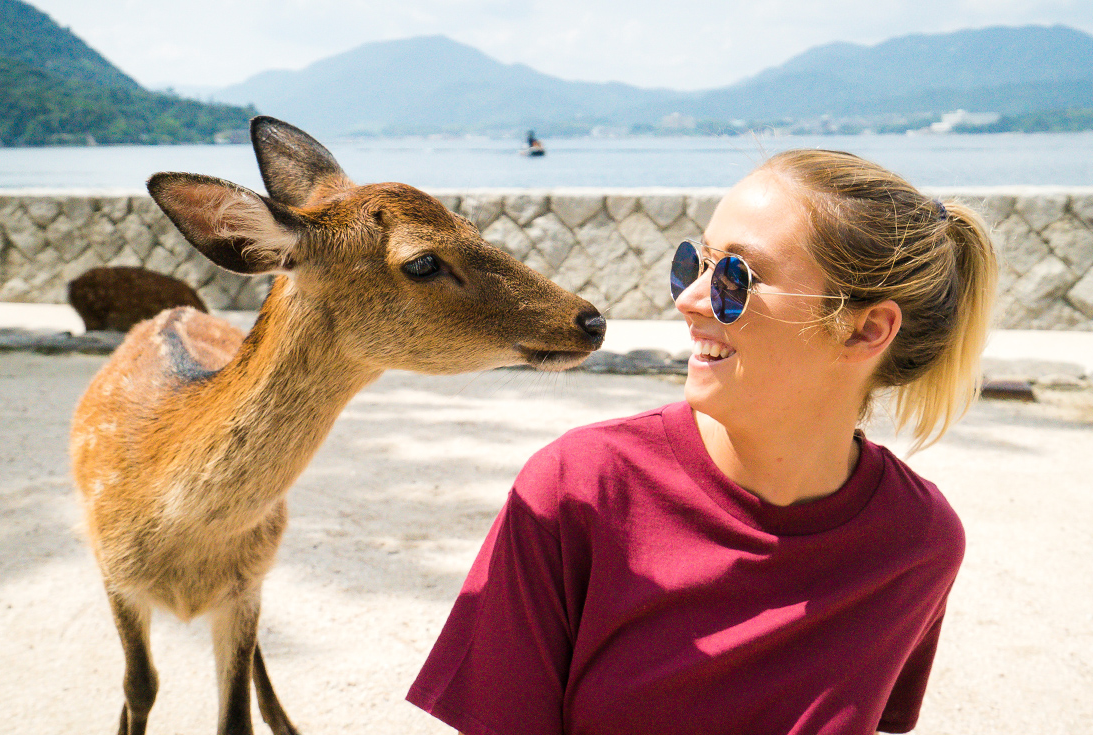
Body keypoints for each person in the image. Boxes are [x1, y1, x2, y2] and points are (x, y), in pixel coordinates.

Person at [406, 149, 998, 735]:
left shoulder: (918, 543)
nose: (688, 299)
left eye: (738, 276)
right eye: (697, 263)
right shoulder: (579, 489)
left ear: (867, 330)